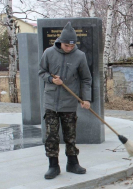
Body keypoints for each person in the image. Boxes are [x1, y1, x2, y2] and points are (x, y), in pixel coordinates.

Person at [39, 22, 92, 180]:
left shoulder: (80, 56)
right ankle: (53, 166)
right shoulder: (49, 53)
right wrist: (50, 79)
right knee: (51, 136)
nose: (69, 48)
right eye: (66, 45)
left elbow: (86, 79)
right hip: (51, 102)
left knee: (70, 135)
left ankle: (72, 163)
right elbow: (41, 72)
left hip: (69, 102)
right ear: (60, 42)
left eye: (72, 45)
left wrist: (86, 99)